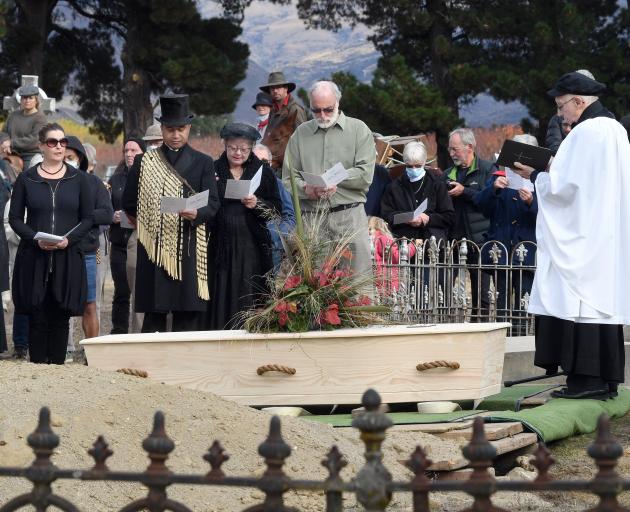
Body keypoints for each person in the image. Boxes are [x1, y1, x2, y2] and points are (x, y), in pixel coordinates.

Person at [514, 71, 630, 399]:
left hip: (584, 233)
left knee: (581, 303)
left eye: (561, 105)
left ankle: (586, 380)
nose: (559, 113)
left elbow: (566, 188)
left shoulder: (585, 134)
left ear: (579, 101)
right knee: (601, 303)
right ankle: (607, 377)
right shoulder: (616, 130)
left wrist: (536, 173)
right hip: (606, 231)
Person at [122, 94, 220, 332]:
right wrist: (151, 219)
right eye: (170, 129)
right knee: (154, 315)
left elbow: (213, 203)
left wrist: (196, 214)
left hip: (188, 246)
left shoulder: (203, 162)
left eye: (181, 129)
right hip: (153, 248)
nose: (176, 135)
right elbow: (129, 202)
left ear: (189, 128)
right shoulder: (144, 161)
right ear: (162, 130)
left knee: (186, 316)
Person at [9, 123, 93, 364]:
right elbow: (14, 218)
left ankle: (57, 368)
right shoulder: (27, 179)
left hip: (67, 256)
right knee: (37, 314)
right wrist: (35, 238)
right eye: (53, 142)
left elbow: (88, 218)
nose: (59, 146)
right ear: (41, 146)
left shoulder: (79, 179)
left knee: (61, 315)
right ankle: (38, 370)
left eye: (62, 142)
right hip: (35, 256)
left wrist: (69, 240)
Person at [282, 80, 376, 276]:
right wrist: (306, 189)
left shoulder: (359, 130)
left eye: (328, 109)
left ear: (338, 103)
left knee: (357, 284)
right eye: (316, 110)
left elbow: (365, 174)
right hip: (312, 219)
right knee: (313, 285)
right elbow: (287, 179)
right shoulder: (300, 134)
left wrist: (337, 179)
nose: (322, 116)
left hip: (349, 216)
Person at [207, 124, 281, 329]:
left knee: (250, 291)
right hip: (221, 245)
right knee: (222, 291)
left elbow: (276, 209)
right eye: (232, 148)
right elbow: (205, 203)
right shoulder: (213, 169)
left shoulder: (263, 171)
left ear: (250, 149)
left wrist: (257, 204)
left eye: (243, 149)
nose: (237, 153)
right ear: (225, 146)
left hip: (252, 246)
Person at [474, 134, 538, 332]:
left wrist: (531, 202)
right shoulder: (500, 176)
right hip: (501, 248)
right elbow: (481, 206)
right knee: (501, 298)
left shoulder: (540, 181)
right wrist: (493, 189)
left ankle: (520, 334)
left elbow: (551, 215)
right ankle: (503, 336)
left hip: (526, 248)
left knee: (523, 298)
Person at [64, 136, 113, 343]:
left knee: (89, 304)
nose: (67, 160)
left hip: (87, 252)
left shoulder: (94, 183)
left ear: (80, 158)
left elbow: (107, 214)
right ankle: (63, 349)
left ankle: (91, 351)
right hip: (58, 252)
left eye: (71, 157)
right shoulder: (52, 183)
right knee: (60, 303)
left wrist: (87, 219)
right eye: (64, 157)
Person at [442, 127, 492, 321]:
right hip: (453, 239)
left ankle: (480, 327)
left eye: (455, 149)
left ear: (469, 147)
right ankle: (445, 324)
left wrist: (465, 192)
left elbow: (489, 201)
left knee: (482, 292)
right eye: (450, 149)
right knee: (444, 287)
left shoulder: (488, 169)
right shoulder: (447, 174)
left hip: (480, 240)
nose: (452, 153)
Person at [381, 141, 454, 243]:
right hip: (404, 243)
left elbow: (449, 217)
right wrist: (406, 218)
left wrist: (428, 219)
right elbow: (386, 216)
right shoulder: (394, 187)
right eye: (409, 166)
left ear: (424, 162)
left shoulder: (437, 185)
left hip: (432, 245)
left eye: (418, 165)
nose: (414, 169)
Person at [109, 138, 145, 334]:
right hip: (119, 241)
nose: (129, 154)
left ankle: (140, 332)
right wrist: (111, 214)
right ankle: (119, 331)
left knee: (140, 293)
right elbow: (104, 205)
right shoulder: (116, 179)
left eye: (134, 150)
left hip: (140, 239)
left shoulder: (148, 176)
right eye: (126, 150)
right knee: (121, 292)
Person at [253, 143, 296, 269]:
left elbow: (289, 217)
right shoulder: (242, 182)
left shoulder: (278, 185)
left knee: (268, 287)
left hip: (271, 249)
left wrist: (275, 236)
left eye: (264, 161)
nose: (260, 165)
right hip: (245, 247)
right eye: (255, 160)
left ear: (271, 163)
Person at [260, 71, 308, 169]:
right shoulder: (273, 109)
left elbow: (303, 139)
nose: (275, 91)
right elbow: (269, 135)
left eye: (278, 87)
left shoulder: (295, 110)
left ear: (286, 89)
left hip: (290, 165)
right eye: (272, 88)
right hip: (273, 160)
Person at [368, 216, 416, 295]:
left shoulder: (369, 239)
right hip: (388, 280)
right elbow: (397, 256)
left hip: (376, 277)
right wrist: (413, 245)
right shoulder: (382, 238)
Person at [3, 85, 47, 169]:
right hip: (11, 152)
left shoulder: (40, 118)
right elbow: (4, 132)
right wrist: (5, 142)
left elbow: (35, 140)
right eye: (24, 98)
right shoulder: (13, 115)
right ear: (21, 100)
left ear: (36, 100)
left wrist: (11, 143)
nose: (27, 101)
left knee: (29, 176)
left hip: (30, 155)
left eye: (30, 98)